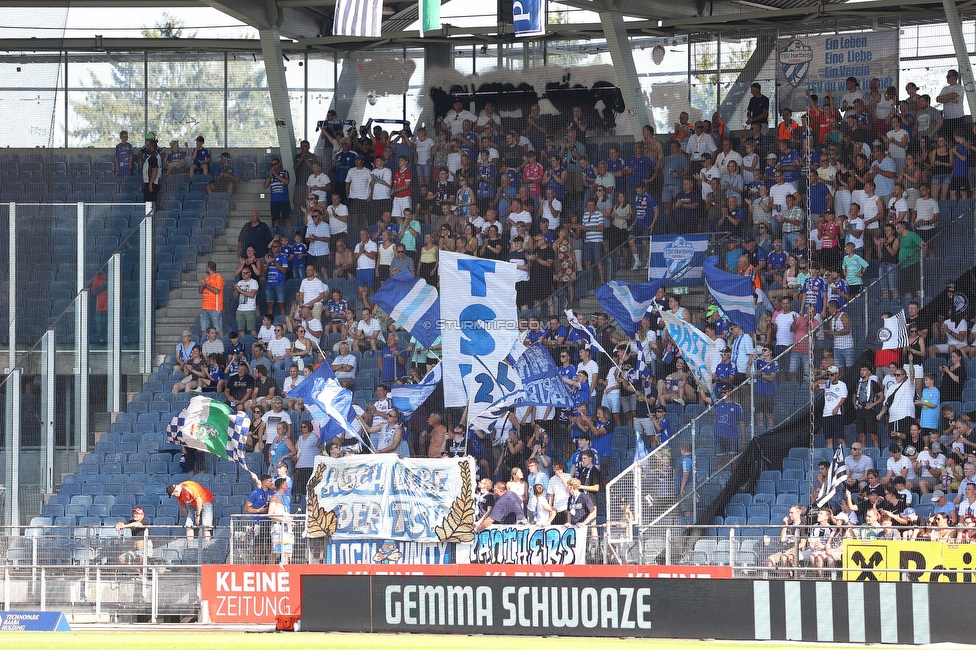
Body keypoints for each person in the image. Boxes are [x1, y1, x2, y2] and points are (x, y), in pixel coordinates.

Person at [245, 474, 276, 563]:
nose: (271, 483)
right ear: (264, 482)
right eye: (269, 481)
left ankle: (270, 565)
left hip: (270, 523)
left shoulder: (273, 493)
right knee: (258, 545)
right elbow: (247, 507)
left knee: (270, 545)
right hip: (259, 523)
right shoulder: (255, 493)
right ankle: (258, 566)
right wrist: (258, 510)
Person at [263, 156, 291, 232]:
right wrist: (270, 176)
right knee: (275, 220)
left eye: (275, 164)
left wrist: (276, 175)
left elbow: (286, 182)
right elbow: (265, 186)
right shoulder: (270, 175)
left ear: (279, 164)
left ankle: (290, 235)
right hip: (274, 201)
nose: (273, 166)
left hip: (284, 200)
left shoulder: (284, 172)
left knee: (287, 218)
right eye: (272, 165)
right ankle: (276, 236)